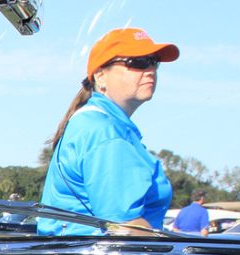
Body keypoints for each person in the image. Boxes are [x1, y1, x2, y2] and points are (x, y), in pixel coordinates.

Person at [38, 27, 179, 236]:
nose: (150, 70)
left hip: (79, 253)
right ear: (101, 76)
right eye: (138, 62)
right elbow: (125, 228)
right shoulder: (105, 132)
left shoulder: (100, 123)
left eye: (154, 62)